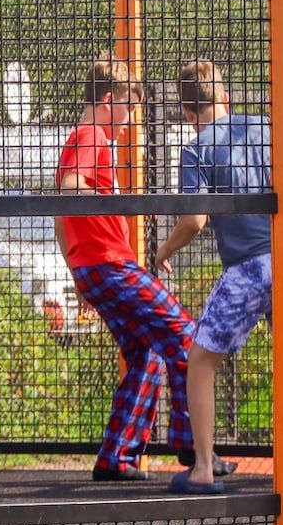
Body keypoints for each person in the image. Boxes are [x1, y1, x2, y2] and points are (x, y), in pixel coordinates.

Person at [56, 56, 196, 481]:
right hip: (110, 264)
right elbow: (68, 191)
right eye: (129, 107)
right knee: (186, 337)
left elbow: (59, 219)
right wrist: (123, 205)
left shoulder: (79, 139)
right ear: (107, 100)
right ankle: (194, 445)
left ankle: (117, 456)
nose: (131, 119)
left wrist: (75, 271)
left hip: (91, 267)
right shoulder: (92, 135)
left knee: (148, 354)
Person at [152, 62, 270, 494]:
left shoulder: (196, 149)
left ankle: (203, 467)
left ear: (186, 110)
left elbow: (195, 220)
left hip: (247, 266)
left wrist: (164, 249)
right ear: (225, 98)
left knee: (200, 362)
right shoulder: (263, 128)